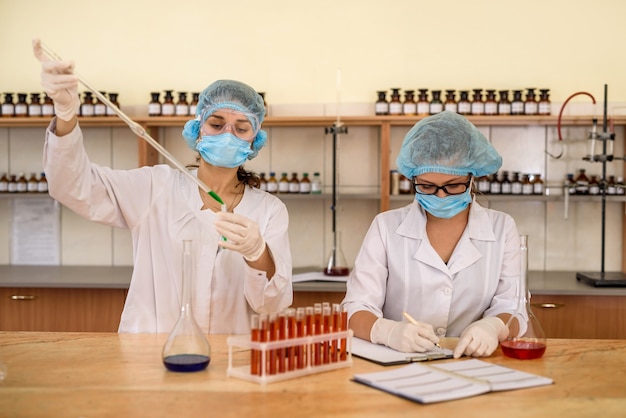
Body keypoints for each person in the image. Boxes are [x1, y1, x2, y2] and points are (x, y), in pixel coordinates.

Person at [32, 40, 292, 334]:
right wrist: (66, 115)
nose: (227, 134)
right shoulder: (155, 186)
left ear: (254, 140)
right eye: (216, 124)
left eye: (241, 128)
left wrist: (257, 252)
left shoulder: (269, 210)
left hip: (231, 359)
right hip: (151, 358)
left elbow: (272, 305)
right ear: (197, 129)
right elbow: (73, 185)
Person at [342, 110, 520, 358]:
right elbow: (355, 307)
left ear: (472, 178)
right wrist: (387, 331)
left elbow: (514, 307)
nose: (440, 196)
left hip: (473, 362)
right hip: (397, 362)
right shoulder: (386, 226)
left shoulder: (502, 228)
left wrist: (492, 327)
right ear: (412, 178)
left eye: (453, 185)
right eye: (427, 186)